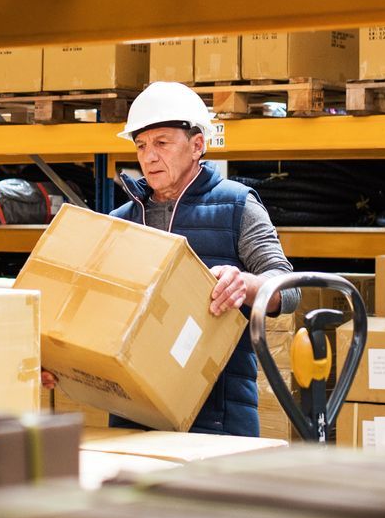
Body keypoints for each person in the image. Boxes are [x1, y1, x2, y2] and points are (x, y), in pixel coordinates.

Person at [109, 81, 292, 435]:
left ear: (197, 145)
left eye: (161, 143)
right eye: (141, 145)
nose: (149, 156)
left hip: (216, 418)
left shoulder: (237, 206)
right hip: (132, 417)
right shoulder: (121, 222)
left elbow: (288, 288)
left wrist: (246, 283)